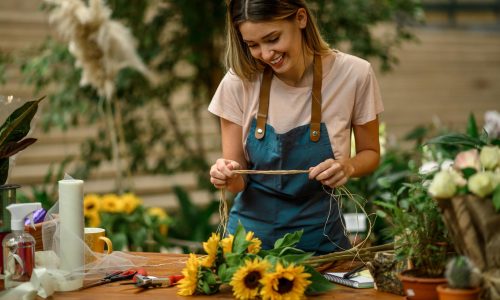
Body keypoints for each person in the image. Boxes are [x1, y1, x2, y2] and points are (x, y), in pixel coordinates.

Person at [209, 0, 383, 255]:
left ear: (301, 18)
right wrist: (226, 174)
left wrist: (348, 166)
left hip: (323, 244)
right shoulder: (238, 82)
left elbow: (371, 153)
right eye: (253, 45)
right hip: (247, 248)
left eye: (273, 38)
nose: (266, 54)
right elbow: (238, 182)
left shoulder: (355, 74)